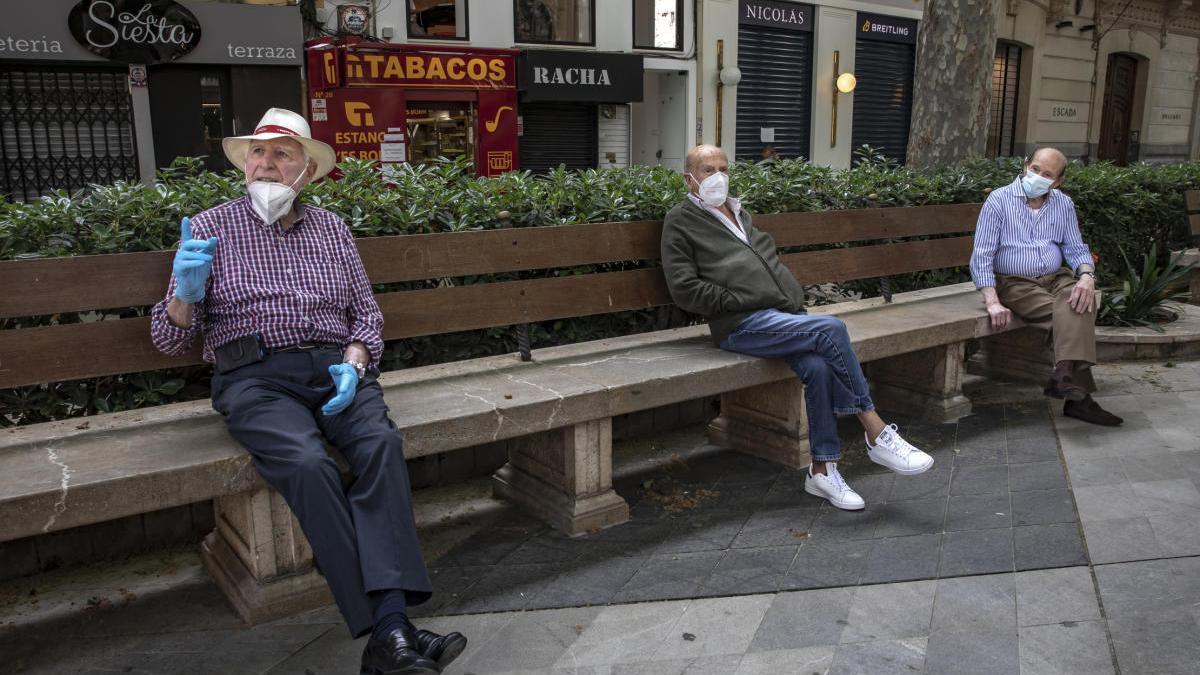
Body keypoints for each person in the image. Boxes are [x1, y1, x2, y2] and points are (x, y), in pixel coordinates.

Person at [151, 108, 464, 675]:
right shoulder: (206, 227)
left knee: (380, 447)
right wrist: (184, 296)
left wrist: (356, 358)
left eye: (282, 155)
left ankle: (387, 639)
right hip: (255, 378)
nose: (266, 165)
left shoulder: (332, 229)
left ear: (308, 172)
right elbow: (168, 341)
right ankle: (393, 629)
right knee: (306, 463)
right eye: (257, 154)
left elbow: (365, 315)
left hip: (336, 371)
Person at [660, 144, 935, 511]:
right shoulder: (680, 220)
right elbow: (685, 290)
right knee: (831, 329)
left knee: (819, 368)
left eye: (724, 168)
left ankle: (822, 470)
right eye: (708, 170)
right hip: (741, 325)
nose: (718, 176)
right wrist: (740, 299)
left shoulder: (741, 213)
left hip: (781, 318)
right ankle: (876, 431)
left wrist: (785, 296)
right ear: (689, 178)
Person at [970, 147, 1123, 426]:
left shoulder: (1063, 204)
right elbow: (982, 255)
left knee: (1080, 297)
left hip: (1056, 277)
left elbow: (1076, 249)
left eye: (1048, 174)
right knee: (1070, 311)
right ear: (1026, 165)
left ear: (1058, 181)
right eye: (1035, 169)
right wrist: (992, 300)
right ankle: (1077, 395)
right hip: (1014, 282)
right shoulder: (998, 201)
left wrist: (1087, 277)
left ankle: (1064, 375)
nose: (1038, 176)